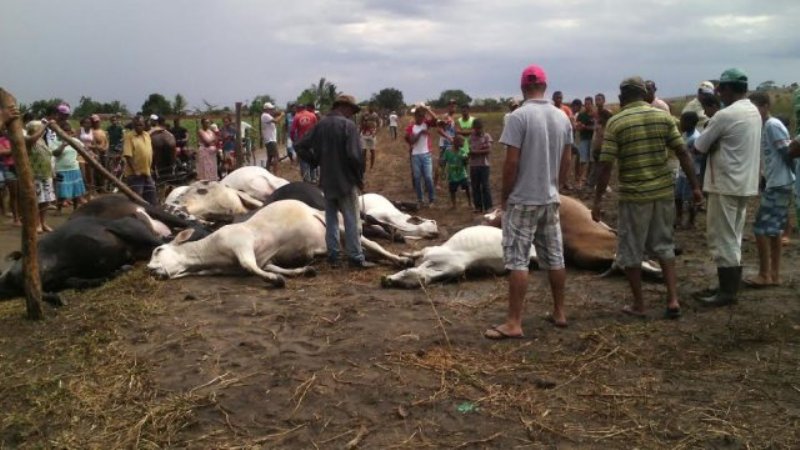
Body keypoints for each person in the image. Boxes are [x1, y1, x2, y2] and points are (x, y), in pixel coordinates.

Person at [593, 76, 702, 319]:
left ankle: (639, 305)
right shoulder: (663, 117)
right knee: (664, 245)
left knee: (631, 250)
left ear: (622, 97)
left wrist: (598, 200)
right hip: (663, 193)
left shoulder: (616, 122)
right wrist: (695, 187)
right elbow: (683, 152)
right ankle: (673, 300)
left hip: (634, 196)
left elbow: (606, 164)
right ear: (644, 95)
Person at [484, 64, 572, 339]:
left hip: (523, 200)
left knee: (518, 260)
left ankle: (514, 322)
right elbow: (567, 159)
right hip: (550, 198)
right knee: (555, 256)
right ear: (545, 86)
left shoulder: (517, 117)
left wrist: (504, 197)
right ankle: (559, 312)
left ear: (523, 88)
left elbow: (511, 162)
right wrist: (557, 185)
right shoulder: (562, 117)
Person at [692, 68, 762, 307]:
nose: (719, 93)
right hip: (744, 183)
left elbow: (698, 147)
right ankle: (728, 286)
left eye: (721, 89)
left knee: (722, 238)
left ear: (730, 89)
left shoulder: (725, 115)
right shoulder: (753, 110)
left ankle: (727, 292)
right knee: (734, 235)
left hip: (724, 183)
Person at [294, 94, 372, 269]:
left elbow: (300, 145)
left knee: (331, 220)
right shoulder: (348, 126)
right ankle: (355, 257)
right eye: (351, 110)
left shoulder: (320, 125)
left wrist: (315, 161)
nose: (351, 114)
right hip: (345, 181)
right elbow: (354, 156)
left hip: (327, 181)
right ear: (345, 107)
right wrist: (359, 177)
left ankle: (334, 255)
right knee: (351, 219)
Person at [743, 92, 795, 287]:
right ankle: (774, 275)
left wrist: (789, 179)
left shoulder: (773, 126)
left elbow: (788, 152)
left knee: (760, 229)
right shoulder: (764, 126)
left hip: (779, 183)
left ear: (765, 106)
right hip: (776, 182)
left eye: (755, 107)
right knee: (774, 231)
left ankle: (765, 274)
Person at [25, 121, 56, 232]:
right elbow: (32, 139)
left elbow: (48, 156)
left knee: (46, 201)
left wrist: (53, 172)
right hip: (35, 174)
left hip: (46, 174)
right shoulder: (28, 139)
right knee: (37, 200)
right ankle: (37, 223)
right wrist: (46, 126)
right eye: (38, 127)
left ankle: (43, 222)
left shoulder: (42, 140)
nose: (41, 129)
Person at [404, 105, 437, 207]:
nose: (422, 118)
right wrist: (420, 133)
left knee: (428, 177)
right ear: (415, 116)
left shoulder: (426, 124)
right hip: (415, 155)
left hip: (426, 154)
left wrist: (427, 109)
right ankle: (420, 199)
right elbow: (412, 141)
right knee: (417, 178)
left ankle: (432, 199)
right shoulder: (411, 127)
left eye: (423, 116)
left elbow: (435, 119)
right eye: (419, 116)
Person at [52, 123, 87, 213]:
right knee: (61, 191)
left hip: (74, 168)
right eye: (65, 131)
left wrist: (92, 155)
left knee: (76, 190)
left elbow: (84, 149)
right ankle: (59, 209)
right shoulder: (55, 141)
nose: (67, 133)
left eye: (68, 131)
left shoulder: (75, 140)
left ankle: (75, 208)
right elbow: (55, 153)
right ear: (60, 132)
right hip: (61, 169)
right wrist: (63, 145)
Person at [122, 116, 157, 205]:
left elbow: (149, 152)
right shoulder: (129, 136)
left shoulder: (147, 135)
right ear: (133, 125)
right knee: (137, 201)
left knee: (151, 198)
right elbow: (127, 155)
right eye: (137, 125)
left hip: (147, 173)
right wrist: (135, 171)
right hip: (135, 175)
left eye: (141, 125)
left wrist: (151, 168)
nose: (139, 127)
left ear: (144, 125)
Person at [675, 111, 701, 228]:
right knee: (678, 196)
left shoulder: (695, 138)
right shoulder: (686, 134)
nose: (681, 123)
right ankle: (679, 217)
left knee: (690, 199)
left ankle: (691, 221)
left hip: (691, 172)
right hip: (682, 171)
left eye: (683, 121)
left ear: (690, 123)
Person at [469, 118, 493, 212]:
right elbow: (469, 151)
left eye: (480, 128)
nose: (478, 130)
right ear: (474, 128)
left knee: (485, 186)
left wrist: (476, 151)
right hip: (474, 165)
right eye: (476, 128)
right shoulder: (471, 137)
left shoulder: (486, 136)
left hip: (484, 165)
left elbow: (488, 151)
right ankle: (478, 207)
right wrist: (481, 150)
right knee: (475, 186)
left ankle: (488, 207)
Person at [290, 103, 319, 182]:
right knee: (313, 158)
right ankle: (314, 178)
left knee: (304, 160)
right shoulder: (312, 115)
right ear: (305, 108)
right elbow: (317, 127)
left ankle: (306, 179)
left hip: (302, 141)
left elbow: (292, 131)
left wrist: (293, 140)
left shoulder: (297, 117)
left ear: (298, 108)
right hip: (312, 140)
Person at [553, 91, 575, 190]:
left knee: (566, 160)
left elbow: (571, 120)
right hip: (554, 138)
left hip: (565, 137)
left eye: (560, 98)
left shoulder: (566, 109)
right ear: (553, 99)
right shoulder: (551, 109)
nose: (559, 100)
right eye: (557, 98)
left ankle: (564, 181)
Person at [441, 134, 471, 208]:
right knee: (452, 190)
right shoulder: (448, 152)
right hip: (452, 175)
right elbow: (444, 162)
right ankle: (454, 204)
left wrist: (467, 159)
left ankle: (470, 202)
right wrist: (443, 171)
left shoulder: (462, 152)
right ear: (456, 142)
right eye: (462, 142)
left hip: (462, 174)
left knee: (467, 187)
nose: (463, 144)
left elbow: (466, 163)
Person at [0, 129, 20, 226]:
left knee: (21, 193)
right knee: (13, 194)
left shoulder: (18, 138)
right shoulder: (1, 140)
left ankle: (20, 216)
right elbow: (2, 152)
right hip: (9, 167)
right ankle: (16, 218)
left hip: (20, 167)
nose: (7, 131)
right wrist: (15, 149)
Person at [575, 96, 595, 189]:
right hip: (584, 139)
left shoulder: (595, 115)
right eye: (585, 104)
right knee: (582, 160)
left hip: (593, 139)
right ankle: (580, 180)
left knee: (591, 161)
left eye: (589, 104)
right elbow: (577, 127)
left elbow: (596, 128)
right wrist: (580, 126)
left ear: (592, 104)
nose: (587, 106)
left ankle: (588, 179)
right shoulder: (581, 115)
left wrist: (585, 127)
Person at [260, 102, 284, 174]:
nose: (272, 110)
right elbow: (276, 121)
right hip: (270, 140)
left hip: (270, 139)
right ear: (267, 109)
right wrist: (282, 115)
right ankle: (275, 174)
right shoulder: (265, 115)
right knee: (276, 156)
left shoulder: (266, 116)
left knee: (270, 158)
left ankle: (267, 172)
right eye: (271, 109)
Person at [90, 114, 108, 191]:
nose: (97, 123)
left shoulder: (102, 131)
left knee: (104, 171)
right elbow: (91, 144)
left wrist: (106, 147)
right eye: (95, 122)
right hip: (96, 153)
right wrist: (98, 148)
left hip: (104, 153)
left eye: (98, 121)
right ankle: (98, 188)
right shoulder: (91, 132)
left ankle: (103, 187)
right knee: (96, 171)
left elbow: (107, 141)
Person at [78, 116, 96, 197]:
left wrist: (95, 153)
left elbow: (94, 144)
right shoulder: (79, 131)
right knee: (82, 174)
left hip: (90, 153)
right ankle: (84, 191)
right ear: (82, 123)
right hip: (80, 154)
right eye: (86, 122)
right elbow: (75, 141)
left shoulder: (92, 132)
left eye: (89, 123)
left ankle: (91, 192)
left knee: (90, 174)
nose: (87, 124)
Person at [360, 104, 380, 170]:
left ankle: (371, 166)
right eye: (370, 106)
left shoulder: (376, 115)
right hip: (364, 134)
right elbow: (361, 124)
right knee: (363, 152)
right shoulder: (364, 114)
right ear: (368, 107)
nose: (371, 108)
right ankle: (363, 166)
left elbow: (378, 125)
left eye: (373, 106)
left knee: (372, 151)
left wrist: (375, 133)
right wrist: (359, 132)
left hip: (372, 134)